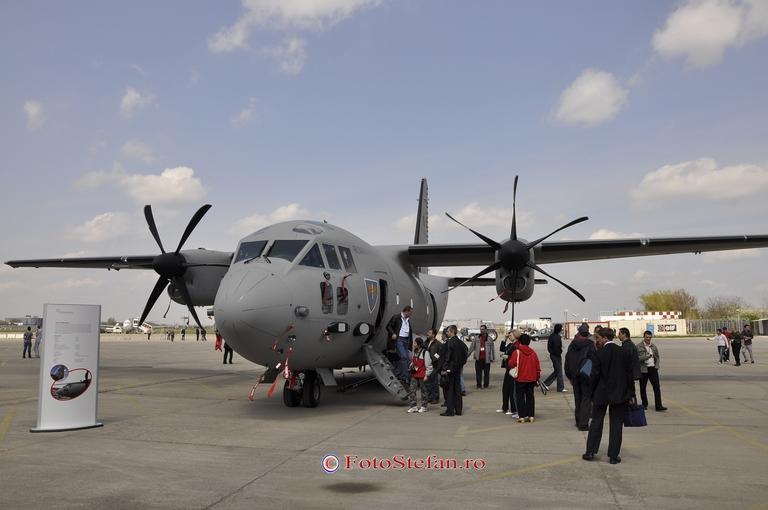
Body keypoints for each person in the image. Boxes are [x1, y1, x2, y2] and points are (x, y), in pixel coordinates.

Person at [583, 328, 635, 465]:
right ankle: (613, 455)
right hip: (620, 394)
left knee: (596, 422)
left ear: (605, 338)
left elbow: (593, 375)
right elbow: (630, 375)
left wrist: (591, 393)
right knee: (616, 424)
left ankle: (590, 451)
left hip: (601, 394)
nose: (597, 341)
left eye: (598, 338)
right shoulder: (624, 352)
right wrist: (631, 394)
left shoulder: (598, 354)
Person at [564, 324, 595, 430]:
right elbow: (594, 361)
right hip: (586, 376)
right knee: (586, 399)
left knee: (578, 399)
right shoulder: (590, 345)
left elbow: (567, 361)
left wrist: (569, 376)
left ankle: (578, 420)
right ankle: (583, 423)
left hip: (575, 376)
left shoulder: (572, 345)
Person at [508, 333, 541, 423]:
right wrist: (537, 377)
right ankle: (531, 416)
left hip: (520, 378)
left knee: (520, 397)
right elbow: (537, 367)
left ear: (520, 342)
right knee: (530, 397)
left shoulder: (517, 352)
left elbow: (511, 364)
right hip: (531, 378)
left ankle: (522, 416)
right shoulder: (533, 353)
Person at [636, 331, 667, 411]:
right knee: (643, 388)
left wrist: (657, 366)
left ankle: (658, 405)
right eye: (647, 337)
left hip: (652, 369)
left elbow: (657, 357)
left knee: (657, 387)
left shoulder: (653, 346)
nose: (648, 339)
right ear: (644, 337)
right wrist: (647, 356)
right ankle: (644, 404)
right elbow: (638, 358)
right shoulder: (639, 347)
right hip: (643, 369)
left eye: (650, 337)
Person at [440, 325, 465, 417]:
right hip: (458, 368)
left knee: (450, 390)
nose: (446, 333)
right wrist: (461, 363)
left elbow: (448, 357)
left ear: (452, 332)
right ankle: (458, 410)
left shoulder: (450, 342)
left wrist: (445, 369)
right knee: (457, 389)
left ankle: (450, 411)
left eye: (447, 332)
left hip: (451, 369)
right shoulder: (460, 342)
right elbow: (465, 353)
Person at [385, 306, 414, 383]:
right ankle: (404, 376)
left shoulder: (408, 320)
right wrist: (393, 333)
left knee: (406, 358)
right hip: (399, 339)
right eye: (410, 313)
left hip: (406, 340)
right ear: (406, 311)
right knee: (404, 357)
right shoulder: (396, 317)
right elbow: (388, 326)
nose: (411, 314)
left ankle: (396, 373)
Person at [497, 330, 520, 417]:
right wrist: (504, 339)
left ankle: (513, 409)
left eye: (510, 335)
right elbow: (502, 349)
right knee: (505, 388)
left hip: (513, 369)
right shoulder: (511, 345)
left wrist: (508, 357)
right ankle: (505, 407)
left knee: (511, 389)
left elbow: (517, 356)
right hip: (508, 369)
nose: (509, 336)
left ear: (515, 335)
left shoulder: (517, 345)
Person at [407, 338, 432, 413]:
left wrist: (426, 375)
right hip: (415, 374)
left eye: (415, 343)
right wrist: (411, 366)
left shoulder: (425, 352)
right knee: (412, 390)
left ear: (419, 344)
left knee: (424, 391)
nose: (413, 344)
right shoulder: (415, 352)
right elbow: (413, 361)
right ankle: (413, 406)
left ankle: (424, 406)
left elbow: (429, 365)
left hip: (422, 375)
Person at [469, 325, 495, 389]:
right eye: (481, 329)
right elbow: (471, 347)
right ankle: (479, 385)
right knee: (478, 374)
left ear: (486, 330)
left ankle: (486, 385)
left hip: (486, 359)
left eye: (483, 329)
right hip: (478, 359)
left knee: (486, 374)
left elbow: (492, 349)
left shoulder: (490, 339)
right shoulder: (476, 338)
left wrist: (492, 358)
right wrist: (466, 355)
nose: (482, 330)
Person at [618, 327, 641, 396]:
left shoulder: (627, 345)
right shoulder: (628, 344)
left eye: (619, 334)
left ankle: (633, 405)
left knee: (630, 393)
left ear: (624, 334)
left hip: (629, 374)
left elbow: (627, 360)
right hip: (630, 374)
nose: (618, 336)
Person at [543, 324, 566, 392]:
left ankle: (546, 383)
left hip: (552, 355)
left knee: (557, 371)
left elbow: (549, 347)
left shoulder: (551, 336)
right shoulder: (557, 337)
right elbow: (557, 347)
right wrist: (560, 351)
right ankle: (560, 387)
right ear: (559, 329)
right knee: (559, 372)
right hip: (556, 356)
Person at [423, 329, 441, 404]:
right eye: (428, 332)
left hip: (434, 365)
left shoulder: (438, 344)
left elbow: (440, 353)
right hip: (426, 365)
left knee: (434, 382)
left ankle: (435, 398)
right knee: (427, 382)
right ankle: (429, 397)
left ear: (433, 335)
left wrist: (434, 358)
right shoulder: (426, 342)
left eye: (429, 333)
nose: (427, 334)